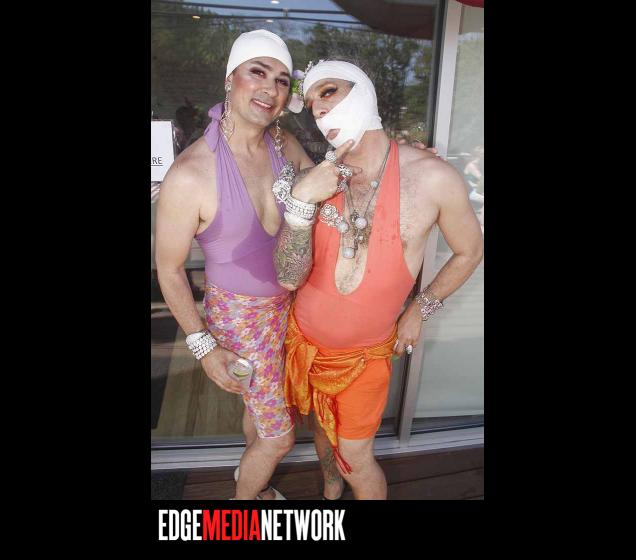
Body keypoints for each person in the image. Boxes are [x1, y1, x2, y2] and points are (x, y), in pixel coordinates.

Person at [273, 60, 484, 500]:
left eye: (328, 92)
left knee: (356, 456)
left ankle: (342, 483)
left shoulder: (431, 177)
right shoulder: (316, 178)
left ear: (364, 90)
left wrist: (419, 309)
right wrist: (302, 200)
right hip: (304, 343)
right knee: (322, 431)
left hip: (364, 356)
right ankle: (330, 493)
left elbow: (470, 250)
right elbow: (289, 277)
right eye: (310, 104)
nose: (319, 110)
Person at [155, 30, 316, 500]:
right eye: (257, 72)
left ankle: (255, 483)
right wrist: (204, 346)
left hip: (288, 306)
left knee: (260, 410)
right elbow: (168, 269)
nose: (270, 88)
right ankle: (242, 507)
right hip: (240, 317)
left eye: (282, 80)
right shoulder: (191, 173)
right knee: (279, 437)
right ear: (230, 79)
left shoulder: (283, 143)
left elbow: (318, 187)